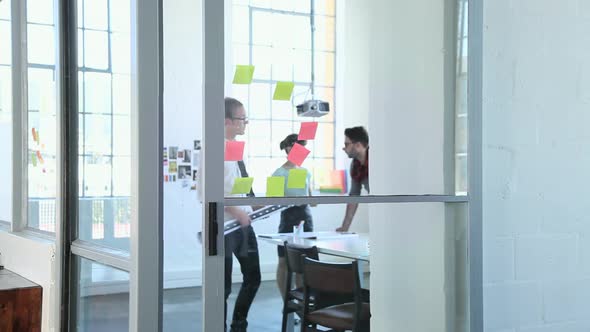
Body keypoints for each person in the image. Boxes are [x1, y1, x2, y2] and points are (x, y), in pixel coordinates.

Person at [223, 97, 260, 332]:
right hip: (225, 227)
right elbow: (210, 191)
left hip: (243, 226)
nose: (245, 123)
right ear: (227, 121)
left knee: (253, 278)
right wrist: (236, 211)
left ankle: (239, 323)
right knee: (222, 287)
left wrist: (255, 204)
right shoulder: (214, 149)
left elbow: (241, 182)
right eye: (241, 118)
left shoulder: (236, 149)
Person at [271, 134, 314, 299]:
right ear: (289, 149)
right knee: (284, 261)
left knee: (303, 263)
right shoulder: (278, 173)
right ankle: (286, 301)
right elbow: (272, 200)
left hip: (306, 217)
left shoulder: (306, 172)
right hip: (288, 218)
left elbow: (311, 199)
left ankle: (300, 304)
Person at [337, 126, 369, 232]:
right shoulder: (355, 165)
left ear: (358, 145)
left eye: (347, 144)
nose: (344, 148)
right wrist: (345, 227)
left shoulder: (377, 159)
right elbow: (354, 196)